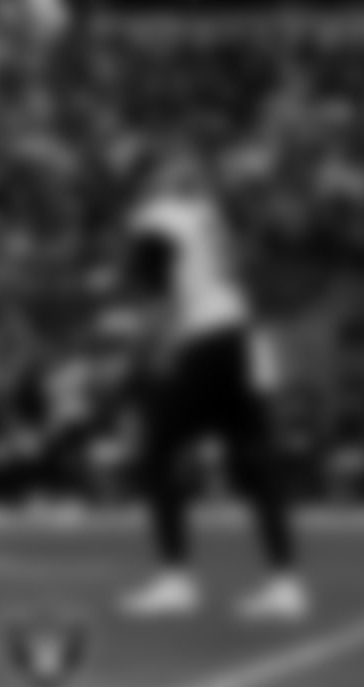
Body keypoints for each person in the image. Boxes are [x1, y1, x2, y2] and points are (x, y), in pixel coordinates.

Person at [114, 151, 307, 624]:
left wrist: (152, 353)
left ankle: (175, 578)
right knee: (255, 457)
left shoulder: (158, 218)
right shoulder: (208, 215)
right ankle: (284, 582)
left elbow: (157, 294)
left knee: (158, 452)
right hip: (238, 335)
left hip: (200, 340)